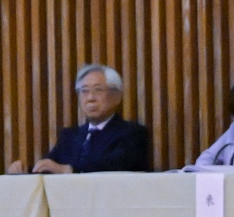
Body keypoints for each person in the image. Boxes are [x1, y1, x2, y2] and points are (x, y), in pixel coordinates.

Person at [14, 64, 154, 174]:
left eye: (98, 90)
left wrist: (69, 170)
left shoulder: (132, 133)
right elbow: (51, 166)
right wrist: (25, 171)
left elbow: (116, 165)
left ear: (116, 97)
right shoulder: (69, 136)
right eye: (84, 91)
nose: (90, 98)